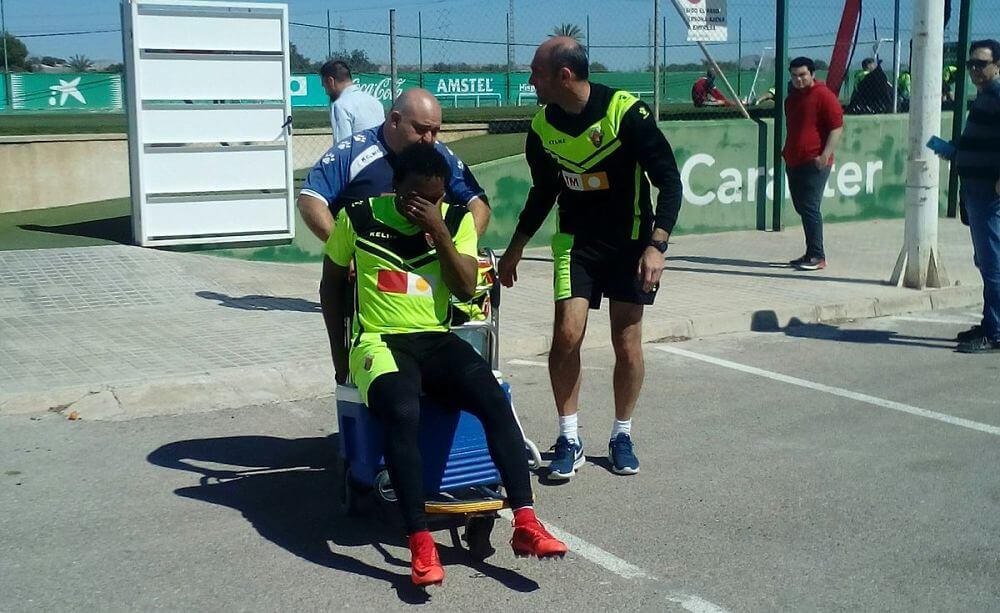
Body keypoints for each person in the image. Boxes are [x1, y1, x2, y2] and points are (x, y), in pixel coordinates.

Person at [325, 143, 568, 586]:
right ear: (395, 186)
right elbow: (330, 286)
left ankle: (526, 522)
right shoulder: (357, 218)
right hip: (379, 341)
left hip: (435, 339)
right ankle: (420, 540)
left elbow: (464, 289)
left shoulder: (454, 222)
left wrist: (438, 231)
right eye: (415, 196)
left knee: (495, 400)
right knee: (402, 410)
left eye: (435, 197)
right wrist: (340, 360)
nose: (425, 204)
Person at [498, 37, 683, 479]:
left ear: (564, 75)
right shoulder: (543, 125)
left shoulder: (625, 112)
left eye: (536, 72)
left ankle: (621, 434)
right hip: (576, 242)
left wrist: (657, 245)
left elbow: (670, 182)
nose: (529, 81)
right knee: (566, 335)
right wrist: (516, 247)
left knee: (626, 341)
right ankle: (569, 437)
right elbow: (543, 190)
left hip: (631, 243)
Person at [297, 88, 492, 376]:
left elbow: (479, 204)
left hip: (431, 290)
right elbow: (310, 200)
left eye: (436, 131)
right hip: (374, 286)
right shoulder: (354, 152)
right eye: (422, 130)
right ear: (395, 120)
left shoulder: (438, 156)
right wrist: (346, 249)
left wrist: (456, 249)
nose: (430, 139)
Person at [954, 40, 1000, 353]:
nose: (975, 70)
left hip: (988, 193)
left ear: (998, 65)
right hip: (975, 188)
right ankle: (989, 323)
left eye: (981, 64)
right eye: (971, 64)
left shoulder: (997, 94)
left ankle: (996, 332)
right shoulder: (986, 95)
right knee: (985, 262)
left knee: (994, 263)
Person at [782, 56, 844, 271]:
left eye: (803, 75)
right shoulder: (790, 100)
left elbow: (837, 127)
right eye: (794, 75)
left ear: (812, 74)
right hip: (793, 160)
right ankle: (810, 253)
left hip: (815, 162)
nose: (798, 79)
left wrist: (825, 155)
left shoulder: (824, 95)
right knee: (802, 207)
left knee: (809, 206)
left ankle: (818, 256)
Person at [320, 60, 385, 145]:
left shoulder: (340, 105)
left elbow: (342, 147)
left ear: (330, 81)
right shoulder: (376, 102)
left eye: (324, 86)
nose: (326, 92)